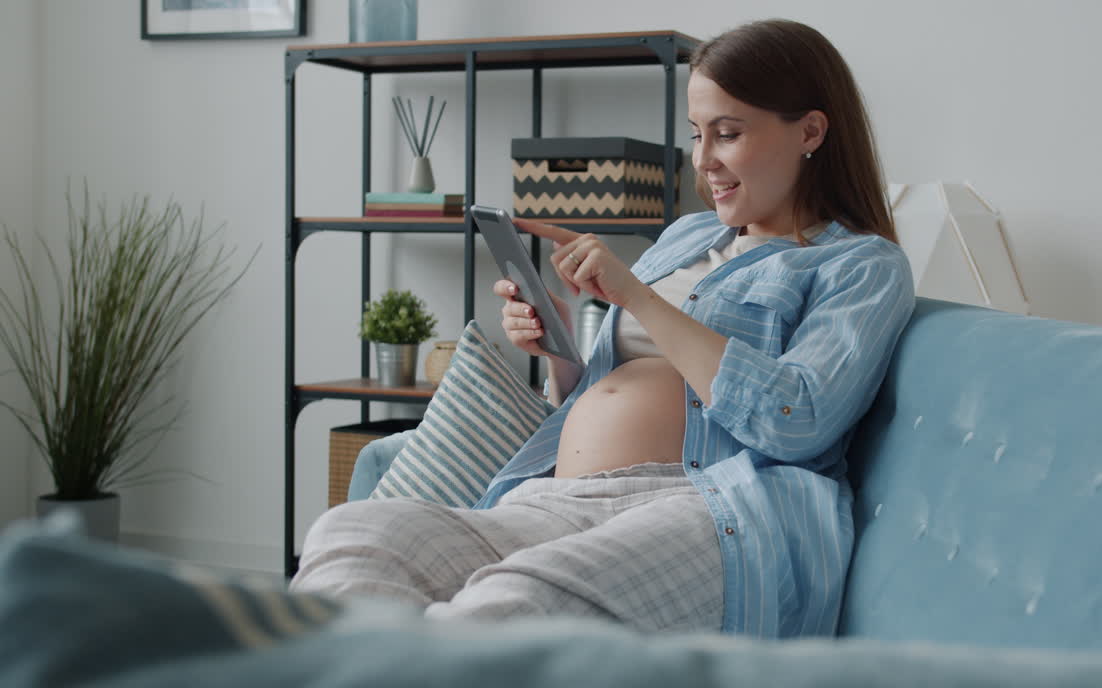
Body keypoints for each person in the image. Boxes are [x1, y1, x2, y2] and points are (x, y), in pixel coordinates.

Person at [290, 18, 916, 639]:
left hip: (708, 511)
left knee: (510, 604)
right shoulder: (687, 236)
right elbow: (613, 387)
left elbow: (796, 418)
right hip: (562, 500)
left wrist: (639, 299)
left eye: (728, 134)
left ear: (810, 130)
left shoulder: (860, 265)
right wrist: (560, 352)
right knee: (353, 534)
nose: (704, 162)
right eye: (697, 134)